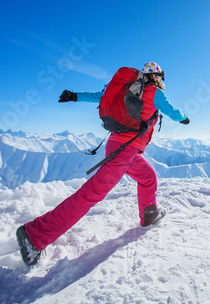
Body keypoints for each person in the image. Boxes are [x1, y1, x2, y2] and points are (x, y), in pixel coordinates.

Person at [16, 61, 189, 266]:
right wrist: (184, 118)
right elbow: (173, 111)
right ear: (157, 77)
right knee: (91, 194)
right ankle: (35, 235)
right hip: (124, 150)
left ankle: (149, 214)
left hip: (123, 147)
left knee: (147, 176)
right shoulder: (154, 92)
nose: (161, 81)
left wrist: (75, 96)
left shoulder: (130, 89)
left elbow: (101, 96)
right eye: (161, 77)